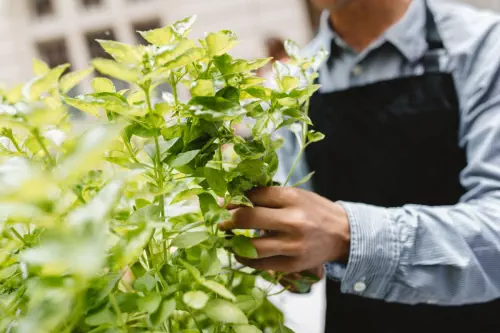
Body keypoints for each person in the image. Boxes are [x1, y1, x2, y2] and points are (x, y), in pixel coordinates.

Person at [219, 0, 500, 332]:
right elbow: (301, 261)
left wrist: (347, 236)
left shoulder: (483, 46)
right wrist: (283, 255)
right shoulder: (290, 85)